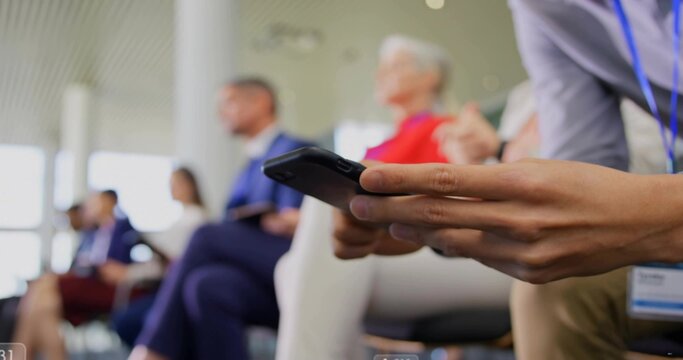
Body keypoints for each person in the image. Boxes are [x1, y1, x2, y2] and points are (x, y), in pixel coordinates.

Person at [332, 1, 683, 359]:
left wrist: (669, 215)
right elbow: (582, 171)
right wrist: (437, 222)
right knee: (557, 290)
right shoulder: (549, 10)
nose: (381, 76)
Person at [274, 35, 514, 360]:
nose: (380, 75)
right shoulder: (381, 145)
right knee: (288, 267)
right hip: (387, 245)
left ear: (430, 77)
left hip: (429, 246)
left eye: (395, 66)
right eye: (382, 67)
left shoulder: (448, 131)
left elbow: (450, 205)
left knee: (317, 245)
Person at [129, 77, 313, 360]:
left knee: (205, 236)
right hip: (255, 276)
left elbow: (303, 219)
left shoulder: (294, 148)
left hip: (289, 260)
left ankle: (152, 351)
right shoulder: (248, 165)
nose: (221, 113)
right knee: (205, 285)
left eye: (229, 102)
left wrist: (288, 219)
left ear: (261, 102)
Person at [13, 190, 137, 360]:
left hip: (104, 286)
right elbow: (79, 263)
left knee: (44, 288)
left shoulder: (122, 227)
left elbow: (118, 266)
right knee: (44, 302)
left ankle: (22, 354)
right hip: (84, 282)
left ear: (110, 202)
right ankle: (30, 353)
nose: (91, 208)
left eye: (95, 203)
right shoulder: (91, 233)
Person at [111, 167, 208, 347]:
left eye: (176, 184)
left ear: (191, 186)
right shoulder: (182, 218)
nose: (171, 189)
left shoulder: (195, 219)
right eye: (170, 185)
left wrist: (128, 273)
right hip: (165, 284)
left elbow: (170, 261)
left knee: (128, 322)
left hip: (178, 287)